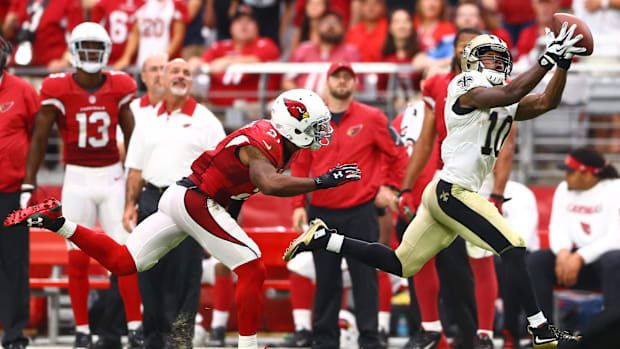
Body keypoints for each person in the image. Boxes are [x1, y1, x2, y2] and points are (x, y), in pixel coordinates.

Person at [285, 22, 587, 349]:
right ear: (470, 62)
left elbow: (545, 103)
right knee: (513, 246)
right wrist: (547, 59)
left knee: (402, 263)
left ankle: (326, 239)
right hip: (453, 191)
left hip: (442, 192)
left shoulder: (504, 94)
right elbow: (509, 93)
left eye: (499, 59)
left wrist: (562, 64)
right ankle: (540, 327)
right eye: (486, 58)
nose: (494, 64)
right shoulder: (464, 84)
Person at [6, 88, 362, 349]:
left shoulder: (276, 139)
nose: (322, 132)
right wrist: (322, 181)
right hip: (196, 200)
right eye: (316, 125)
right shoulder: (264, 140)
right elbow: (267, 183)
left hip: (183, 197)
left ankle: (57, 222)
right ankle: (248, 345)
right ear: (293, 124)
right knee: (253, 267)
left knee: (123, 262)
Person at [20, 22, 142, 349]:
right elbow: (40, 137)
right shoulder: (58, 86)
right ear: (74, 51)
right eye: (84, 48)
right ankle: (83, 330)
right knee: (76, 257)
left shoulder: (120, 84)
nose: (90, 55)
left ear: (105, 52)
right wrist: (28, 183)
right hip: (76, 176)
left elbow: (133, 136)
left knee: (126, 255)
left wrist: (136, 176)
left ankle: (134, 326)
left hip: (113, 175)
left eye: (95, 48)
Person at [289, 61, 408, 349]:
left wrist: (389, 187)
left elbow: (398, 153)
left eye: (347, 77)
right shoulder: (314, 120)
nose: (342, 81)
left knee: (364, 277)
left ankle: (370, 339)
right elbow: (301, 164)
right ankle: (324, 340)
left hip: (360, 209)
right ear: (327, 81)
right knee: (326, 279)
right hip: (322, 211)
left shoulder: (373, 117)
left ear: (354, 83)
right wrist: (297, 204)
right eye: (337, 76)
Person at [527, 148, 620, 324]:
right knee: (536, 261)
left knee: (613, 260)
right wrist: (563, 253)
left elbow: (616, 237)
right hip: (571, 266)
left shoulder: (616, 189)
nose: (565, 176)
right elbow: (557, 227)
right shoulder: (563, 189)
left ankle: (612, 333)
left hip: (607, 265)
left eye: (570, 172)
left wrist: (579, 257)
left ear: (588, 175)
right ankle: (544, 334)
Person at [0, 36, 39, 349]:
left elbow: (38, 138)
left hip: (12, 193)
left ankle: (14, 335)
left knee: (14, 265)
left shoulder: (23, 90)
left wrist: (29, 183)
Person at [281, 10, 361, 93]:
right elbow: (286, 81)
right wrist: (304, 97)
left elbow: (356, 85)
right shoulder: (304, 49)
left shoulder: (350, 51)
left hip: (335, 102)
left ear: (342, 28)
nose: (331, 26)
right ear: (318, 27)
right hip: (302, 102)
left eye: (335, 22)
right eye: (327, 22)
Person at [2, 0, 83, 72]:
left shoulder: (68, 2)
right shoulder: (19, 2)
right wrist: (8, 26)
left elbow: (76, 35)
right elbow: (8, 36)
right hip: (19, 68)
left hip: (48, 70)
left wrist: (65, 61)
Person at [114, 0, 189, 72]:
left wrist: (165, 56)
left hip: (167, 63)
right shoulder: (144, 4)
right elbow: (136, 34)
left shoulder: (177, 4)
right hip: (144, 60)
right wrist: (127, 57)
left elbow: (178, 36)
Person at [90, 0, 145, 66]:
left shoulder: (146, 5)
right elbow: (94, 31)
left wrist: (126, 57)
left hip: (135, 61)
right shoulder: (103, 3)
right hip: (107, 60)